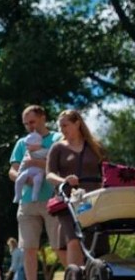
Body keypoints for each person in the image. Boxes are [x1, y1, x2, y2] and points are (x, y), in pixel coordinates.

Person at [9, 104, 62, 280]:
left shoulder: (56, 139)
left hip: (53, 199)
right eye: (25, 124)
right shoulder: (22, 143)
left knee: (59, 245)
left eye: (32, 121)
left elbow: (59, 165)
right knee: (28, 248)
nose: (29, 127)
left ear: (42, 118)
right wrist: (22, 177)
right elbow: (12, 170)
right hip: (27, 202)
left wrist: (35, 163)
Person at [45, 109, 108, 270]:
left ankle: (95, 276)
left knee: (94, 238)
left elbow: (107, 170)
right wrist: (64, 180)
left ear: (77, 123)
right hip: (68, 200)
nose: (62, 129)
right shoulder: (57, 148)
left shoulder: (95, 147)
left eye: (65, 125)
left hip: (93, 198)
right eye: (60, 126)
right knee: (73, 238)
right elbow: (49, 174)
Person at [13, 131, 49, 203]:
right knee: (19, 180)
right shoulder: (28, 153)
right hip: (29, 170)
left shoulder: (46, 151)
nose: (26, 147)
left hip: (40, 171)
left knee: (37, 181)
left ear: (36, 144)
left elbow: (50, 161)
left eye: (28, 145)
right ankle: (18, 195)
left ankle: (34, 197)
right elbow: (23, 163)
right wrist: (20, 172)